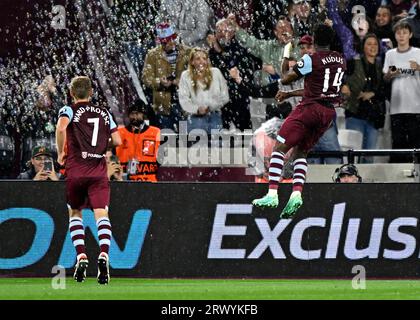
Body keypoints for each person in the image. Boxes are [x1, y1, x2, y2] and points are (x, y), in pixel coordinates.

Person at [252, 24, 346, 218]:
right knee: (301, 152)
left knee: (280, 147)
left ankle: (272, 194)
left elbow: (285, 77)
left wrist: (286, 55)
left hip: (309, 109)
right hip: (328, 113)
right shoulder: (340, 59)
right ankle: (296, 194)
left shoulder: (311, 59)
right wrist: (290, 95)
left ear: (314, 39)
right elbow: (319, 88)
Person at [55, 76, 122, 284]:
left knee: (75, 213)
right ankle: (103, 253)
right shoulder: (104, 112)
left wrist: (59, 154)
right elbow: (118, 140)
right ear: (92, 92)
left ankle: (82, 255)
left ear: (71, 93)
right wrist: (101, 146)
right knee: (102, 214)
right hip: (98, 171)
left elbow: (60, 127)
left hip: (76, 170)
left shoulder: (68, 109)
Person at [276, 34, 342, 165]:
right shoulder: (307, 62)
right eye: (302, 47)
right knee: (305, 157)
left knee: (332, 156)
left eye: (309, 46)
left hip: (317, 115)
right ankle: (302, 185)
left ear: (316, 46)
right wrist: (286, 53)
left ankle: (338, 184)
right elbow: (284, 76)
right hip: (307, 117)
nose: (305, 50)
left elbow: (287, 79)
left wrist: (289, 93)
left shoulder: (314, 61)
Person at [207, 18, 262, 131]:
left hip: (240, 97)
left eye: (226, 31)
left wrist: (220, 52)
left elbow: (235, 73)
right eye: (219, 31)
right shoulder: (211, 53)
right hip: (221, 99)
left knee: (244, 132)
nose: (222, 34)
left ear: (232, 33)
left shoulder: (241, 49)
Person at [341, 33, 386, 164]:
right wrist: (344, 86)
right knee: (353, 155)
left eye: (375, 44)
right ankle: (350, 182)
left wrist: (372, 94)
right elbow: (341, 76)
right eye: (369, 44)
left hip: (374, 117)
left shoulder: (381, 66)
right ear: (363, 47)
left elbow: (385, 89)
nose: (373, 47)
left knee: (369, 156)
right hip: (355, 114)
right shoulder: (353, 63)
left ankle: (365, 184)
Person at [141, 22, 192, 131]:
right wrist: (160, 82)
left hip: (184, 103)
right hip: (163, 104)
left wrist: (182, 81)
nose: (166, 45)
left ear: (174, 38)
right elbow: (146, 78)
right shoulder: (152, 55)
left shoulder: (188, 52)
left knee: (186, 139)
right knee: (166, 141)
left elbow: (195, 74)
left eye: (168, 41)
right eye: (163, 43)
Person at [383, 20, 420, 163]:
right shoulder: (390, 54)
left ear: (410, 34)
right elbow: (385, 77)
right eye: (398, 33)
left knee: (416, 144)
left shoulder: (418, 52)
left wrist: (418, 67)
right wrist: (391, 74)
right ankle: (397, 180)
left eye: (404, 32)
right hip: (396, 108)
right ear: (395, 35)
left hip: (416, 107)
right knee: (398, 144)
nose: (401, 35)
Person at [178, 48, 229, 134]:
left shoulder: (216, 73)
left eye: (204, 58)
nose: (202, 61)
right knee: (197, 146)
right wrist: (197, 109)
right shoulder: (185, 76)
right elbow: (184, 100)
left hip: (215, 117)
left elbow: (225, 97)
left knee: (216, 146)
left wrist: (211, 106)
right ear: (192, 62)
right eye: (198, 59)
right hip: (195, 119)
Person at [115, 99, 161, 182]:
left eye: (137, 113)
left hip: (150, 183)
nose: (135, 117)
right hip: (124, 183)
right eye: (132, 114)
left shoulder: (155, 132)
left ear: (143, 114)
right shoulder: (119, 133)